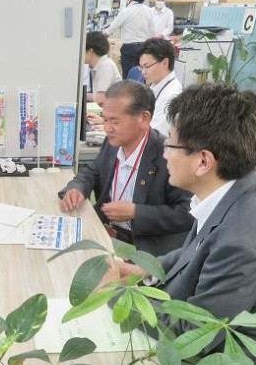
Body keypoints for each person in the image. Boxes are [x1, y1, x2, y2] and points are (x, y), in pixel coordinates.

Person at [114, 84, 256, 365]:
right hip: (221, 340)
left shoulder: (241, 242)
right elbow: (196, 248)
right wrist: (146, 270)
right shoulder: (236, 186)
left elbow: (193, 335)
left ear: (203, 160)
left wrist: (118, 297)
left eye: (170, 143)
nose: (164, 153)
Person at [58, 80, 193, 256]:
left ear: (144, 119)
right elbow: (93, 171)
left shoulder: (168, 155)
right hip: (106, 231)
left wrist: (137, 212)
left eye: (115, 121)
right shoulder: (112, 143)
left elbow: (187, 214)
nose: (107, 128)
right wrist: (78, 188)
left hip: (144, 248)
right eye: (105, 119)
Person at [102, 0, 155, 78]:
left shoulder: (127, 11)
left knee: (128, 76)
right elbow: (153, 32)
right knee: (143, 76)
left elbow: (112, 28)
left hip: (129, 49)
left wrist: (103, 34)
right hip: (144, 48)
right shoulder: (149, 11)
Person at [139, 38, 182, 137]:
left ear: (165, 63)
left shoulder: (172, 96)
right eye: (141, 67)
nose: (143, 72)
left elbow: (155, 135)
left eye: (147, 66)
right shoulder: (155, 84)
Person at [85, 31, 122, 107]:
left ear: (90, 51)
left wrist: (80, 95)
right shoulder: (98, 65)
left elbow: (100, 99)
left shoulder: (105, 66)